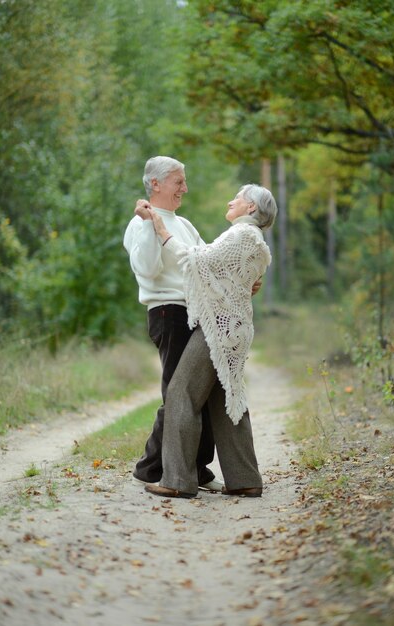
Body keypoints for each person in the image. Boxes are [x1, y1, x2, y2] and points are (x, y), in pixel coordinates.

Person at [142, 184, 277, 499]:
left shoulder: (241, 235)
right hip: (235, 327)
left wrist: (161, 230)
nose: (231, 201)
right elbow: (224, 277)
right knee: (226, 399)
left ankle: (178, 480)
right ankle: (245, 478)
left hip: (220, 327)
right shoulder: (258, 243)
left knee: (181, 392)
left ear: (252, 209)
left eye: (238, 198)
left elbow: (196, 261)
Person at [123, 156, 221, 491]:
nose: (184, 188)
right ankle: (152, 466)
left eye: (184, 181)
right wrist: (150, 222)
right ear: (156, 184)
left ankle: (195, 465)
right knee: (178, 393)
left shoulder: (186, 224)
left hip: (197, 314)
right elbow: (148, 269)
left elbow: (205, 263)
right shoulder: (139, 224)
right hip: (168, 313)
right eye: (178, 181)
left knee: (200, 392)